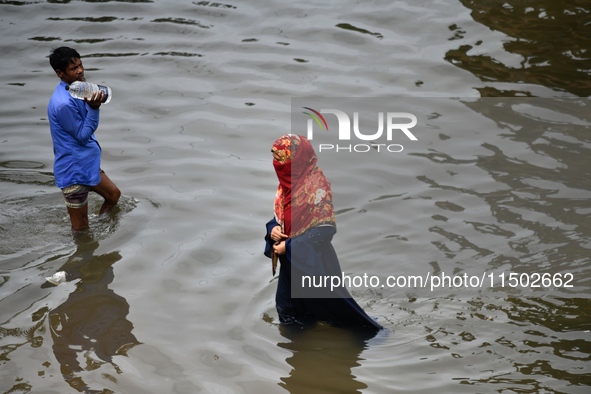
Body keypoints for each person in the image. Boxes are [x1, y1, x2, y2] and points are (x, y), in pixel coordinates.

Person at [264, 134, 382, 333]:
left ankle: (368, 339)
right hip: (290, 263)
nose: (278, 164)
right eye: (275, 158)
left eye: (282, 159)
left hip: (313, 261)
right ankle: (302, 358)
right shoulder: (285, 186)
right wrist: (273, 229)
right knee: (288, 312)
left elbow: (326, 229)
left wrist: (290, 246)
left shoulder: (316, 186)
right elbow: (281, 217)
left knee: (338, 315)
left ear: (297, 159)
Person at [48, 46, 120, 231]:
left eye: (80, 65)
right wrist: (94, 110)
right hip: (74, 172)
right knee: (81, 230)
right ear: (60, 73)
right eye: (73, 69)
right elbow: (82, 136)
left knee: (113, 196)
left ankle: (102, 230)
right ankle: (83, 257)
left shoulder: (76, 90)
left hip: (86, 165)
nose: (80, 71)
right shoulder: (63, 104)